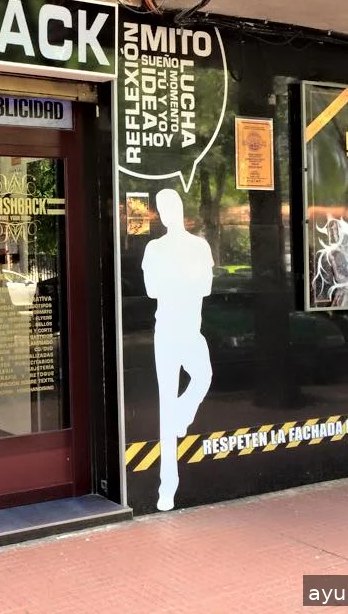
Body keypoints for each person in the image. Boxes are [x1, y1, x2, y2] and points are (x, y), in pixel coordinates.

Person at [141, 189, 214, 512]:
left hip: (189, 329)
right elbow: (151, 291)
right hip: (168, 331)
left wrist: (174, 279)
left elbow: (206, 287)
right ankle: (167, 488)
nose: (167, 213)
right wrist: (185, 278)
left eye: (170, 206)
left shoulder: (199, 246)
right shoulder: (154, 248)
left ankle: (183, 414)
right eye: (162, 208)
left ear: (181, 209)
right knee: (164, 405)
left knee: (203, 376)